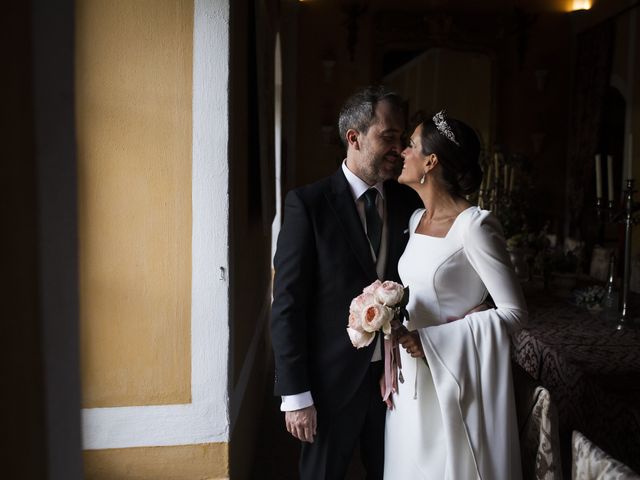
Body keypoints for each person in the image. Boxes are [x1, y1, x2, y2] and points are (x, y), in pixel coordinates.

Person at [270, 85, 421, 479]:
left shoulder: (409, 205)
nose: (399, 148)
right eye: (388, 137)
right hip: (329, 384)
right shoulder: (308, 205)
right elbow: (287, 305)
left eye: (402, 139)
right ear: (354, 138)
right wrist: (295, 395)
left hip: (397, 381)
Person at [384, 111, 528, 479]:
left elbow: (514, 313)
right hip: (407, 381)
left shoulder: (475, 226)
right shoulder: (416, 220)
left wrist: (436, 339)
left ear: (431, 162)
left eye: (411, 146)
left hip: (451, 382)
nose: (402, 152)